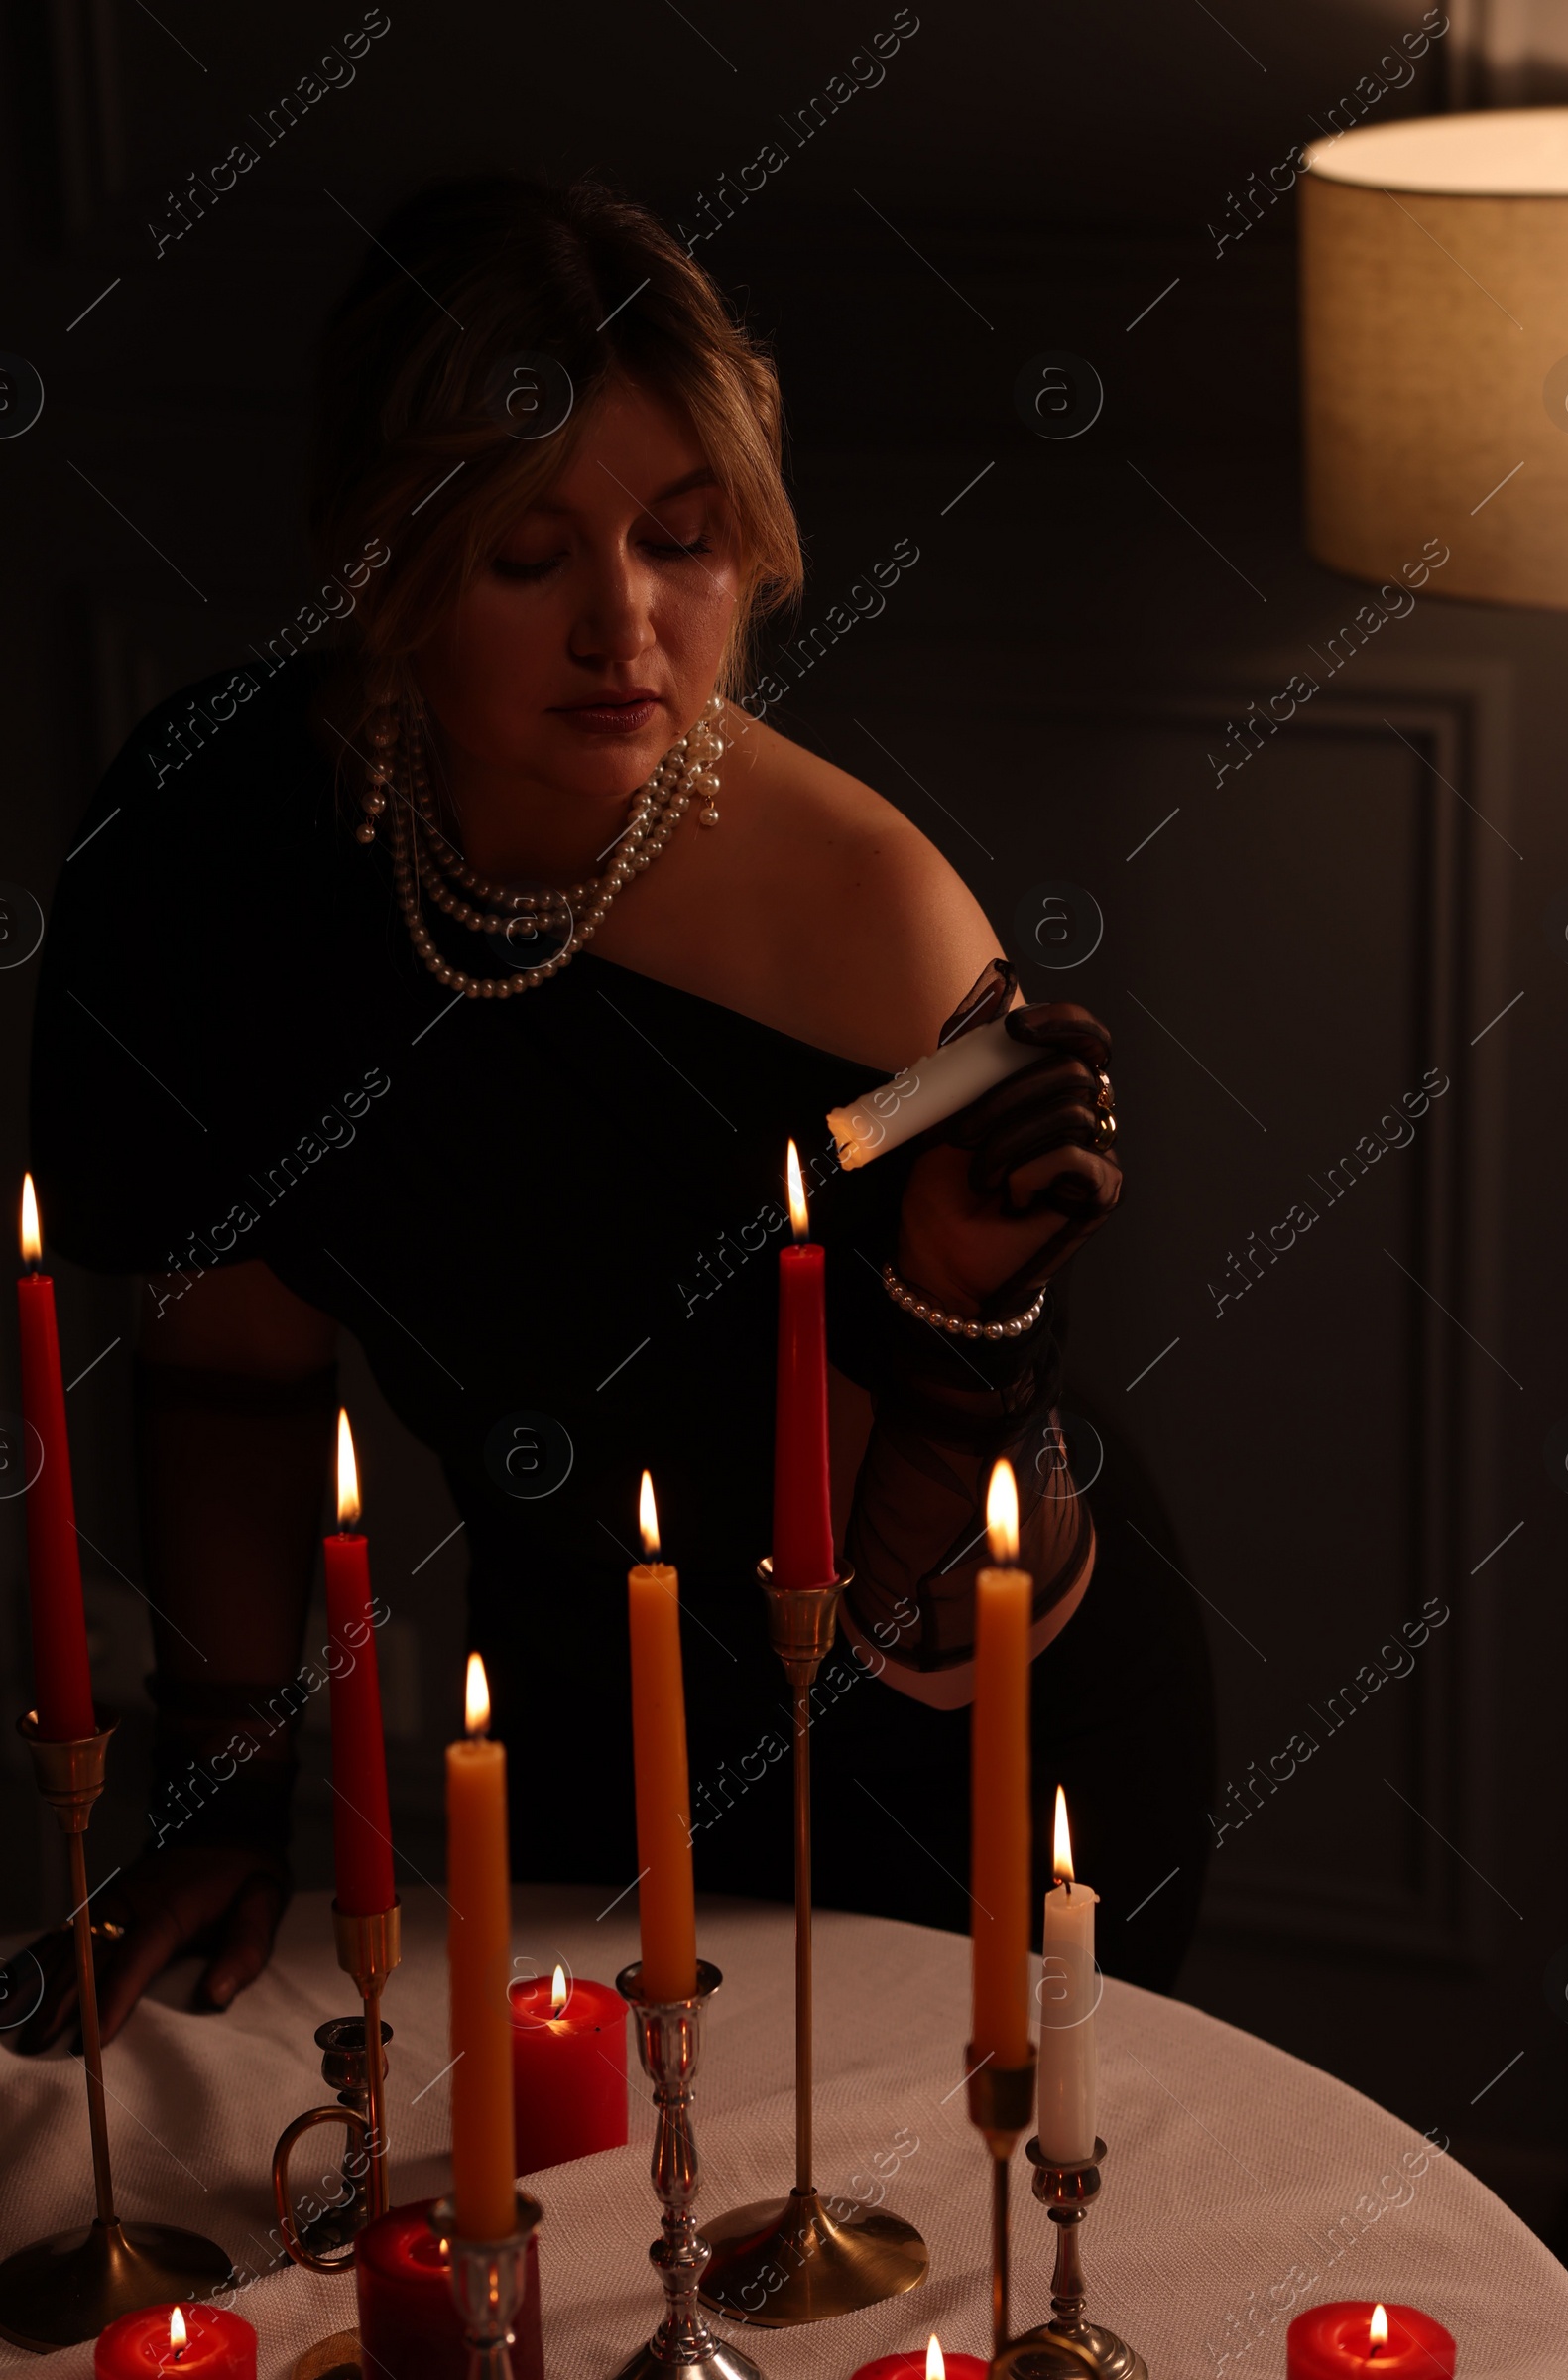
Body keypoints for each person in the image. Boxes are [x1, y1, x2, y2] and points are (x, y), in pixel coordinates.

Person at [12, 174, 1213, 2055]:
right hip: (580, 1703)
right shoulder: (213, 849)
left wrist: (962, 1317)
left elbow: (902, 1600)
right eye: (526, 556)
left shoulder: (881, 932)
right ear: (384, 558)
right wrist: (227, 1799)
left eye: (685, 540)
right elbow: (233, 1382)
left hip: (950, 1724)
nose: (624, 625)